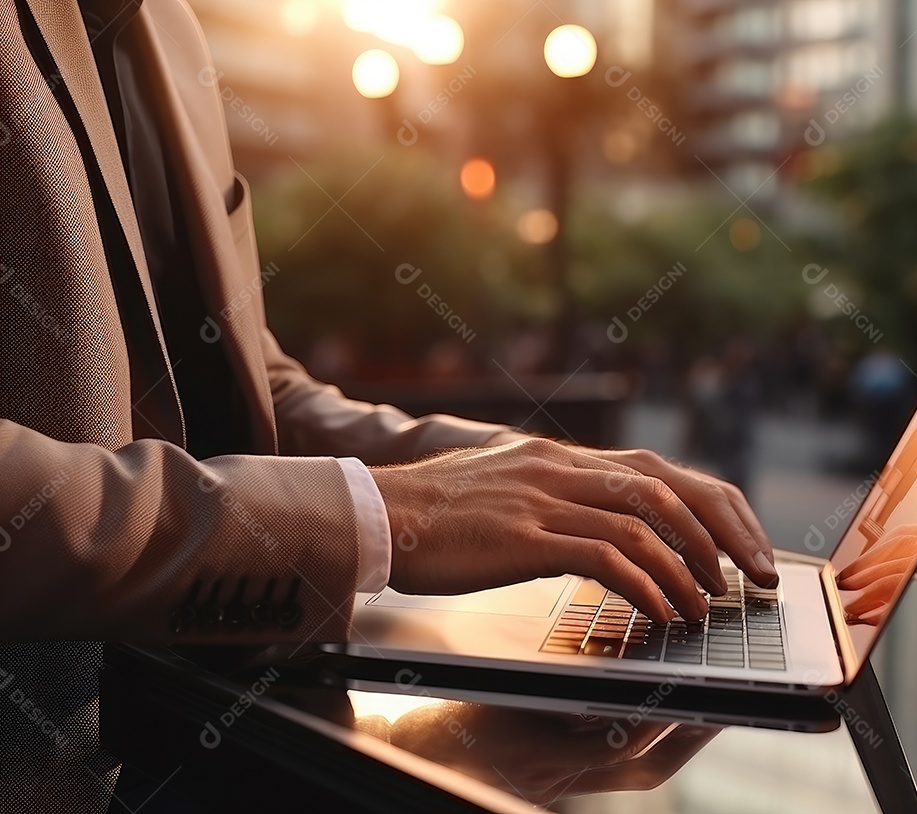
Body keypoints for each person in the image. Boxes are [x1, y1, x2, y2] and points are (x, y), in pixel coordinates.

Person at [0, 1, 777, 811]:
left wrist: (503, 473)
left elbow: (248, 387)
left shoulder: (171, 32)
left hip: (214, 748)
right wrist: (381, 514)